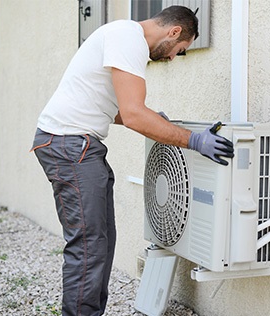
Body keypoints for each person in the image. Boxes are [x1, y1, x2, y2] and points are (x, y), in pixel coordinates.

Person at [31, 5, 234, 316]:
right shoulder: (129, 39)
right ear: (174, 32)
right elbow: (134, 114)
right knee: (89, 246)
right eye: (179, 51)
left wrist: (156, 122)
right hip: (70, 145)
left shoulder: (121, 36)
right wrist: (193, 140)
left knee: (101, 240)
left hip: (73, 144)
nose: (171, 58)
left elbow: (110, 109)